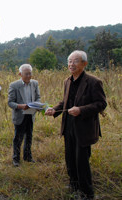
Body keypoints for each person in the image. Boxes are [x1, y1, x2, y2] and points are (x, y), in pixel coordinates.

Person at [45, 50, 107, 200]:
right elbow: (65, 102)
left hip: (84, 128)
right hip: (68, 125)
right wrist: (55, 110)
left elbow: (101, 104)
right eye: (69, 61)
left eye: (75, 61)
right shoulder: (67, 81)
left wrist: (81, 110)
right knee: (70, 157)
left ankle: (87, 193)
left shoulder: (93, 82)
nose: (71, 64)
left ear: (84, 64)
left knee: (82, 161)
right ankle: (74, 185)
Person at [8, 64, 41, 166]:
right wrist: (20, 106)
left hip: (30, 114)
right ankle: (16, 159)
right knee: (18, 138)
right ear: (20, 74)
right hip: (20, 115)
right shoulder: (14, 85)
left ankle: (28, 157)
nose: (28, 76)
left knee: (29, 136)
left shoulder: (34, 83)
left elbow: (38, 97)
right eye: (26, 74)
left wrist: (37, 104)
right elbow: (10, 102)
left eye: (30, 74)